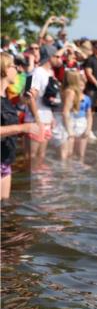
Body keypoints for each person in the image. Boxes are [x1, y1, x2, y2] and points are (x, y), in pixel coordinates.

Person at [1, 52, 42, 201]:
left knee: (4, 208)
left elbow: (6, 111)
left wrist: (21, 100)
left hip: (5, 161)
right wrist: (22, 128)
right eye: (14, 66)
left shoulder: (5, 97)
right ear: (5, 70)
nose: (18, 69)